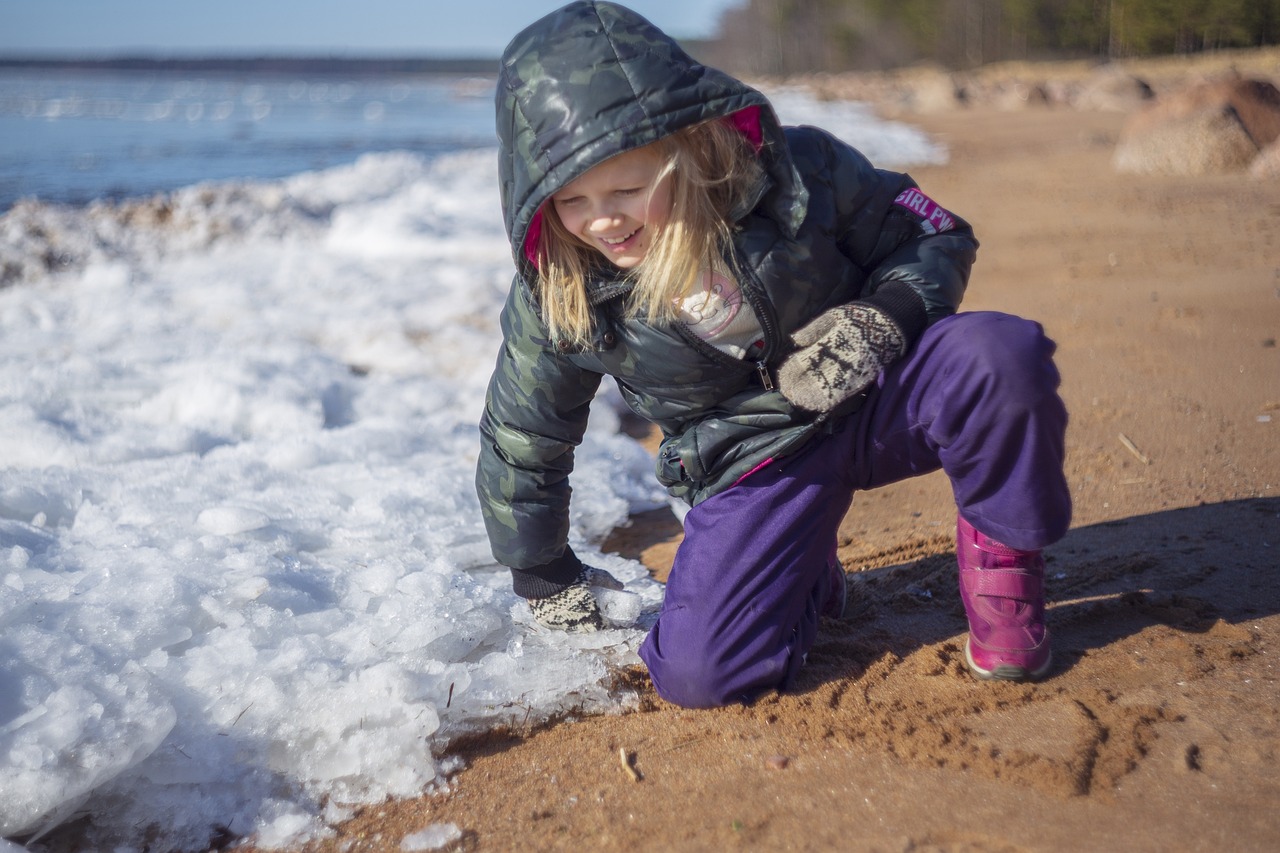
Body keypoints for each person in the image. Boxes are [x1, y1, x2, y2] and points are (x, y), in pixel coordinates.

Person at [476, 1, 1071, 709]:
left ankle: (1003, 563)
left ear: (684, 147)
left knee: (997, 354)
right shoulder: (561, 290)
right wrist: (543, 570)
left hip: (876, 390)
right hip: (753, 458)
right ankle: (803, 571)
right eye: (571, 201)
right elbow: (525, 435)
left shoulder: (795, 172)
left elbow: (934, 233)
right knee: (700, 676)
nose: (602, 219)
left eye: (628, 189)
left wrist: (883, 320)